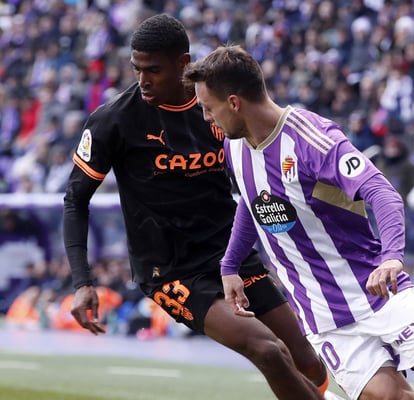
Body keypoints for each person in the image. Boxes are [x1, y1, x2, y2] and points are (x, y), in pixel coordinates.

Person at [185, 45, 414, 400]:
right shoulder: (235, 147)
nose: (206, 118)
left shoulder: (313, 139)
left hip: (375, 287)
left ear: (234, 102)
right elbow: (255, 203)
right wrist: (230, 266)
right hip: (322, 313)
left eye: (208, 108)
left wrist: (392, 257)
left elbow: (382, 192)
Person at [62, 14, 335, 400]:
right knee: (268, 350)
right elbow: (75, 200)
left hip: (231, 258)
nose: (143, 80)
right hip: (171, 271)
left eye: (153, 70)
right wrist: (82, 281)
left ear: (183, 63)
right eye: (137, 69)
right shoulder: (113, 121)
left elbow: (255, 177)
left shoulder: (219, 109)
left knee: (307, 360)